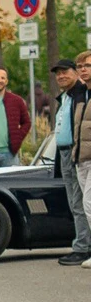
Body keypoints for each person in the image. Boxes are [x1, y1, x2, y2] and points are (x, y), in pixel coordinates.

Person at [50, 58, 91, 265]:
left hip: (78, 153)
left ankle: (83, 247)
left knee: (81, 202)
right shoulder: (66, 97)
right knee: (75, 202)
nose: (61, 76)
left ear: (75, 73)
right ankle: (82, 244)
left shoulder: (81, 94)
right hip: (65, 153)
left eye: (65, 71)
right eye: (58, 73)